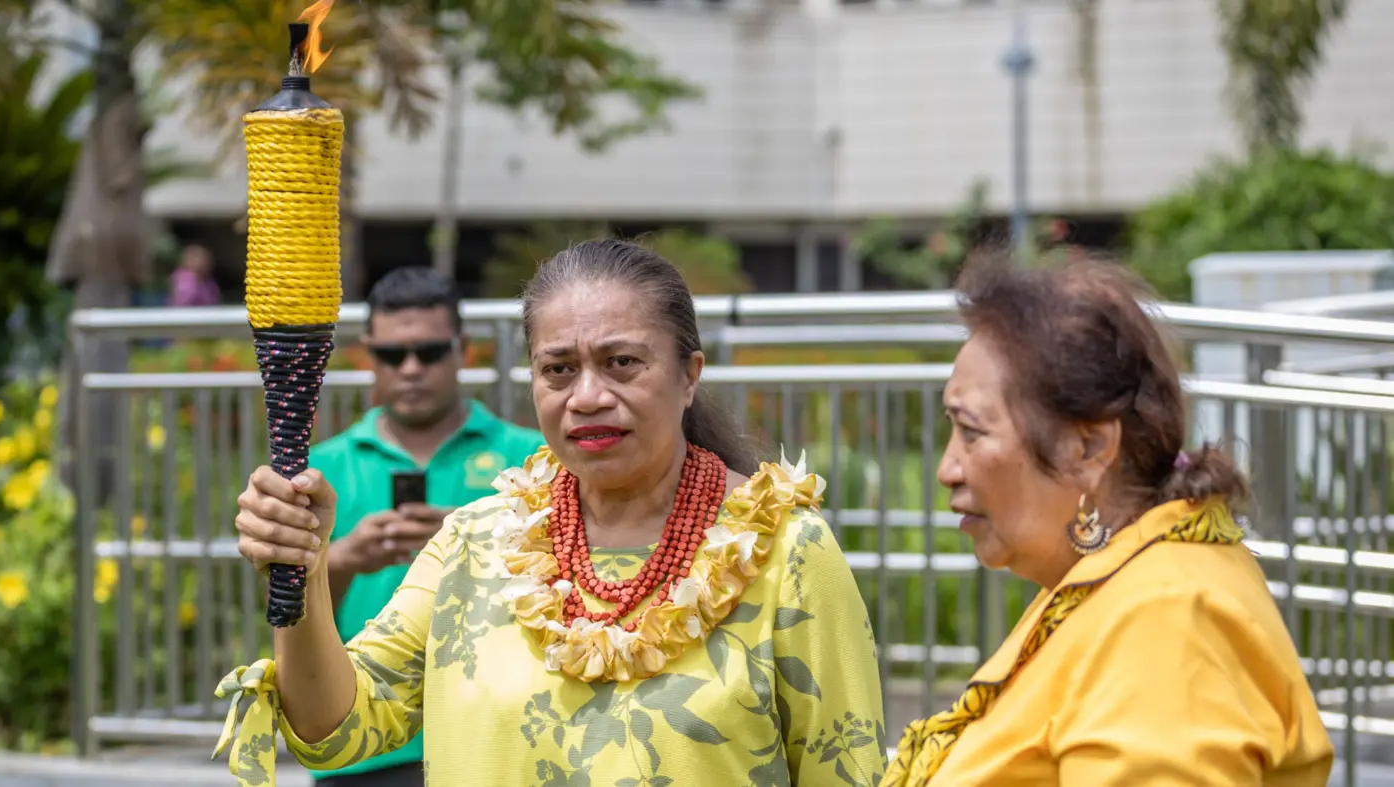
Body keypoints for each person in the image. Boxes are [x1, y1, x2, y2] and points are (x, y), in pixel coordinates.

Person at [218, 239, 887, 786]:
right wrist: (302, 568)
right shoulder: (476, 543)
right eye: (558, 369)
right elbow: (333, 728)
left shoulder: (786, 550)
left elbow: (847, 772)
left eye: (622, 362)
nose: (588, 395)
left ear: (690, 374)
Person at [880, 256, 1333, 786]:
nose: (947, 468)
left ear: (1089, 447)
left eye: (972, 431)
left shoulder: (1167, 618)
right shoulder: (1117, 581)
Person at [303, 267, 545, 787]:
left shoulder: (530, 459)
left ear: (462, 349)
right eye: (391, 355)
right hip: (363, 741)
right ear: (369, 355)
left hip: (498, 738)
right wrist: (343, 558)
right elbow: (286, 617)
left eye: (429, 352)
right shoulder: (321, 469)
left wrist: (476, 544)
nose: (410, 368)